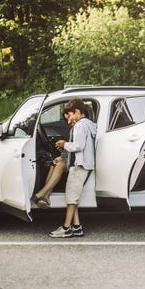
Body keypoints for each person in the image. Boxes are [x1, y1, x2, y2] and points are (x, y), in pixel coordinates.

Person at [49, 98, 97, 238]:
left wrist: (64, 144)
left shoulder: (80, 126)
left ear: (77, 112)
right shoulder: (89, 124)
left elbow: (78, 146)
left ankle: (66, 228)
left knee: (70, 198)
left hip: (79, 166)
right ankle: (77, 227)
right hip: (84, 165)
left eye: (70, 115)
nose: (69, 119)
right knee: (73, 197)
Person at [32, 112, 71, 209]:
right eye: (67, 120)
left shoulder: (82, 129)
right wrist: (63, 154)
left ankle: (41, 194)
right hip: (73, 159)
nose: (69, 122)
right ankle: (45, 197)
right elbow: (72, 150)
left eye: (69, 118)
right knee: (55, 162)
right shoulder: (76, 128)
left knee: (61, 163)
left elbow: (78, 148)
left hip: (79, 163)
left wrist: (64, 147)